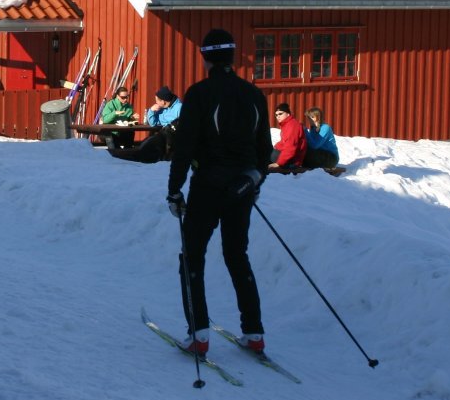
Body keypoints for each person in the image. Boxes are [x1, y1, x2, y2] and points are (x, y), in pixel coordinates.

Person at [166, 29, 273, 356]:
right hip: (242, 187)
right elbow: (265, 150)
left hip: (207, 186)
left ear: (205, 57)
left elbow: (184, 146)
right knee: (237, 255)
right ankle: (253, 333)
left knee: (192, 257)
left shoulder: (199, 94)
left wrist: (174, 189)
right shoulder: (254, 95)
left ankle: (198, 334)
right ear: (233, 55)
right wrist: (254, 182)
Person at [109, 86, 179, 163]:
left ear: (163, 101)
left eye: (157, 101)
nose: (156, 103)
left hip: (171, 138)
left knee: (142, 145)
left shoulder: (179, 108)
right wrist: (151, 111)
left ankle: (118, 155)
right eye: (123, 97)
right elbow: (153, 123)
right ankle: (118, 154)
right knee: (143, 145)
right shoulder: (162, 108)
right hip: (162, 135)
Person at [269, 102, 307, 170]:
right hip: (287, 158)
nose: (278, 116)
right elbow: (284, 142)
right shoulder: (287, 124)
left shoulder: (292, 126)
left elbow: (290, 147)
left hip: (292, 161)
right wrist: (276, 146)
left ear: (288, 114)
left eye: (280, 114)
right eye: (276, 115)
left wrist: (279, 163)